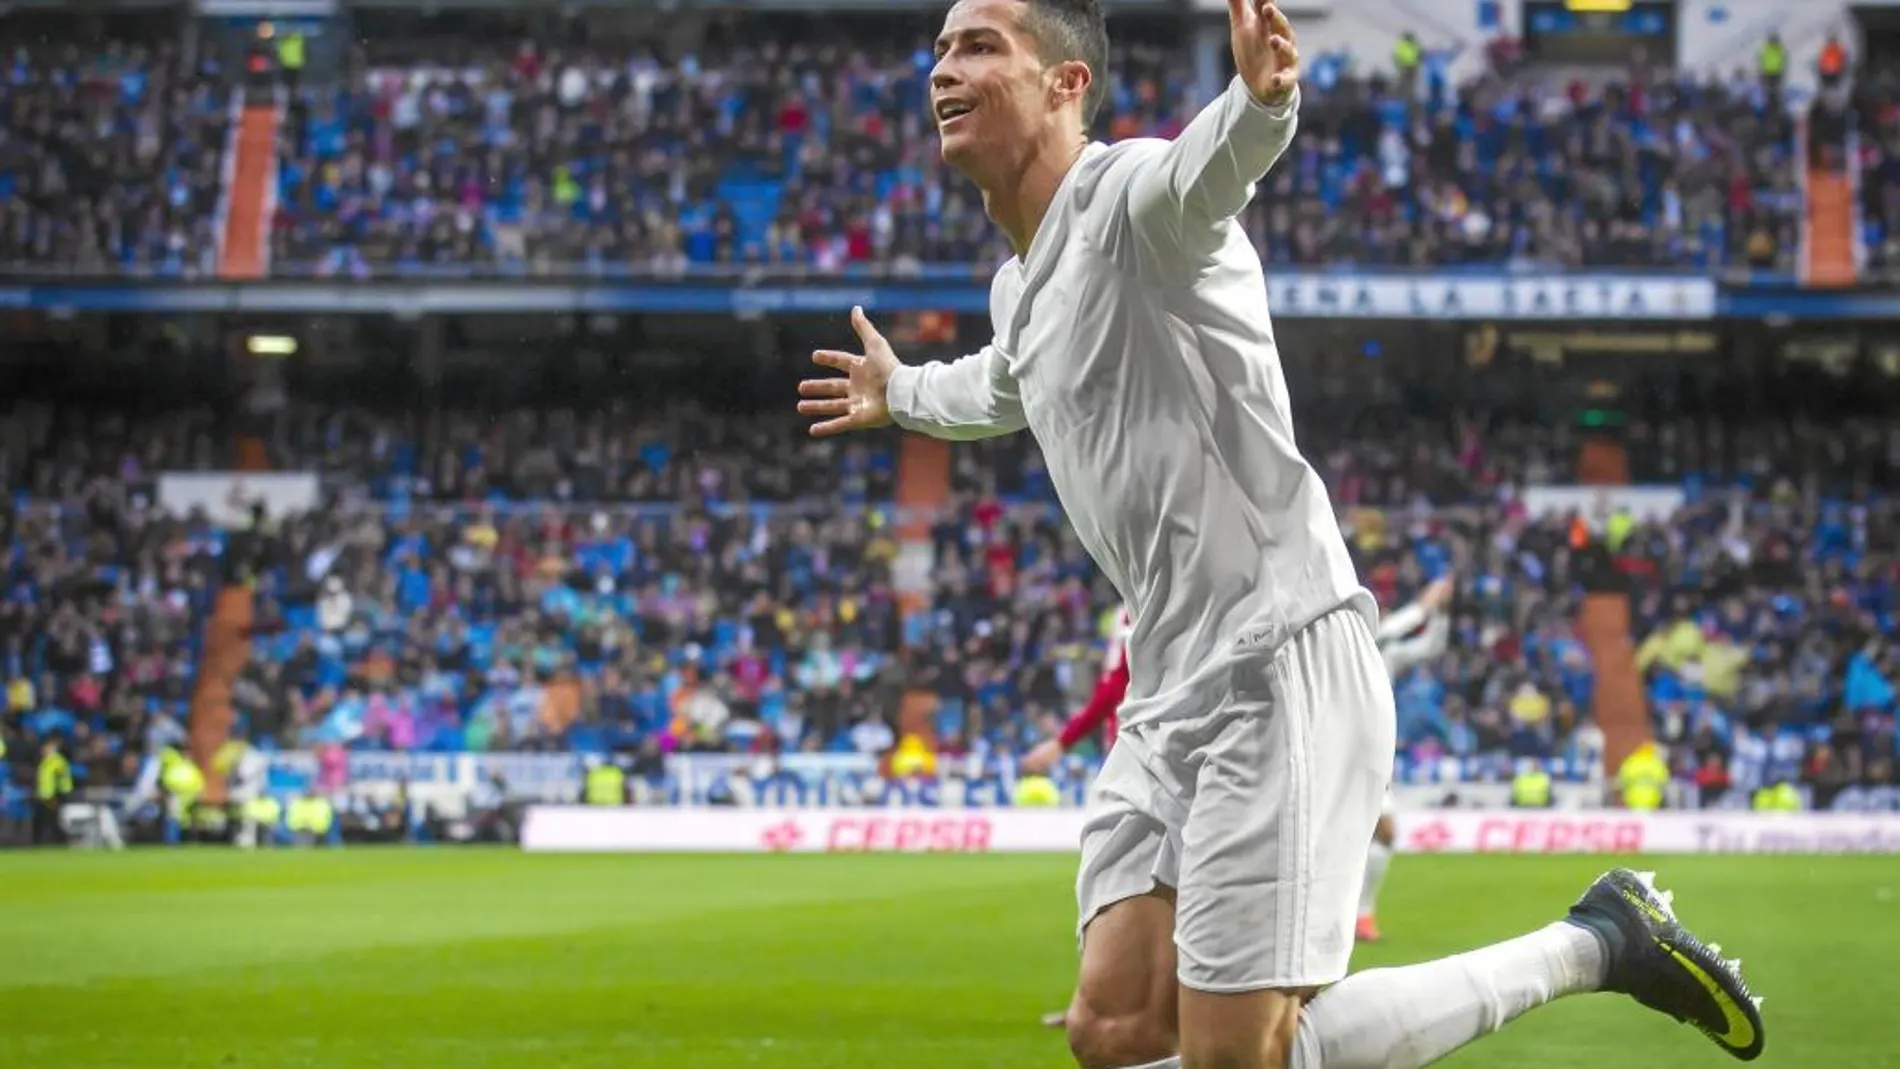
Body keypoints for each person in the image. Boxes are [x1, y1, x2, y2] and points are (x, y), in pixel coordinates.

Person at [796, 1, 1765, 1066]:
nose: (944, 67)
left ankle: (1594, 941)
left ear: (1066, 84)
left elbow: (1204, 172)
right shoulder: (1020, 284)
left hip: (1278, 655)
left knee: (1236, 1058)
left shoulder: (1126, 198)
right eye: (938, 49)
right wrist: (903, 391)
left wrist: (1262, 103)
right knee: (1112, 1031)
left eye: (979, 45)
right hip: (1167, 687)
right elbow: (999, 379)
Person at [1358, 576, 1454, 943]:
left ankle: (1361, 915)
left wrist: (1440, 614)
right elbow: (1383, 633)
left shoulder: (1387, 653)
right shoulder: (1358, 643)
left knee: (1384, 834)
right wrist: (1423, 605)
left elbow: (1432, 646)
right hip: (1338, 749)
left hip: (1369, 754)